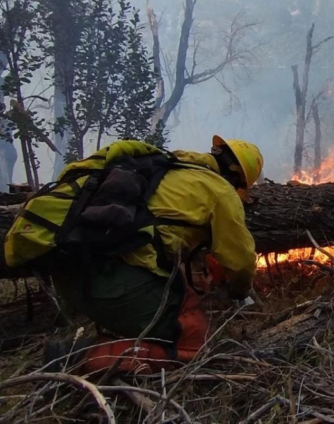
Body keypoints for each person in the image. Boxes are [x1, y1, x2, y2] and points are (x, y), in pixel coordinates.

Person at [37, 136, 263, 374]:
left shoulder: (167, 167)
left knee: (178, 293)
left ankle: (126, 336)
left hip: (68, 271)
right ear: (237, 176)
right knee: (196, 342)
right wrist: (239, 291)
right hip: (111, 282)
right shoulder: (220, 190)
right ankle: (76, 357)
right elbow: (241, 263)